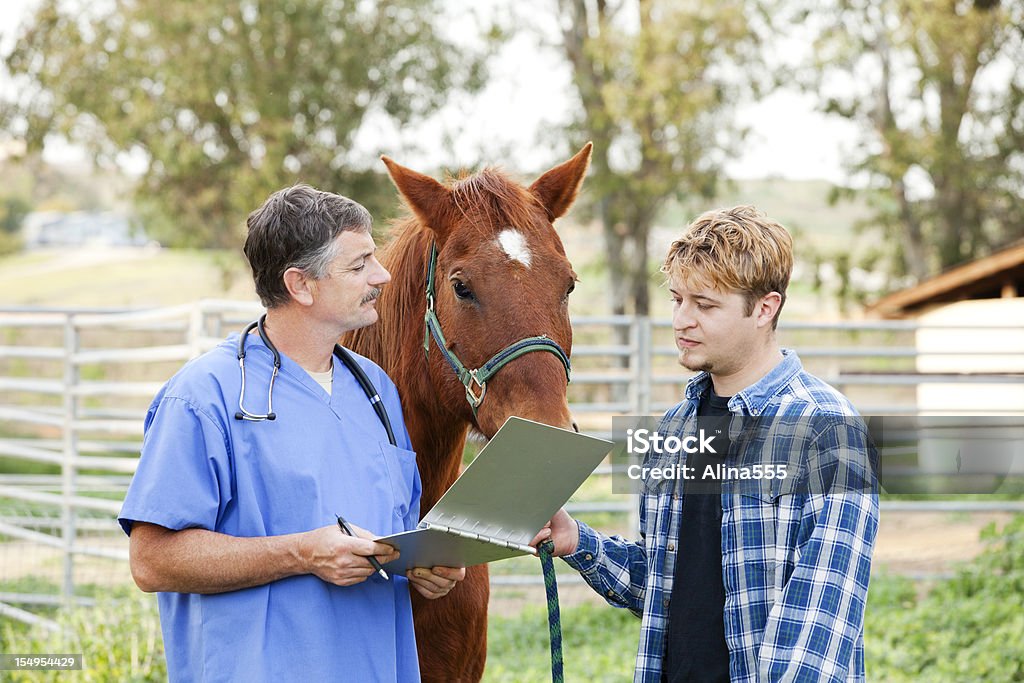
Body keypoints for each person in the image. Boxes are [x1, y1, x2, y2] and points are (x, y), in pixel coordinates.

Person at [119, 184, 465, 682]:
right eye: (359, 264)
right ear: (301, 285)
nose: (382, 275)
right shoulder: (203, 396)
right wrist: (301, 553)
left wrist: (420, 565)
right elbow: (152, 561)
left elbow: (389, 535)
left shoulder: (377, 391)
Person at [535, 206, 878, 683]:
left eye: (705, 305)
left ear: (764, 308)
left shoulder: (823, 428)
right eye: (677, 299)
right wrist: (579, 542)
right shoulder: (673, 431)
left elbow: (822, 615)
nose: (682, 320)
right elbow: (665, 587)